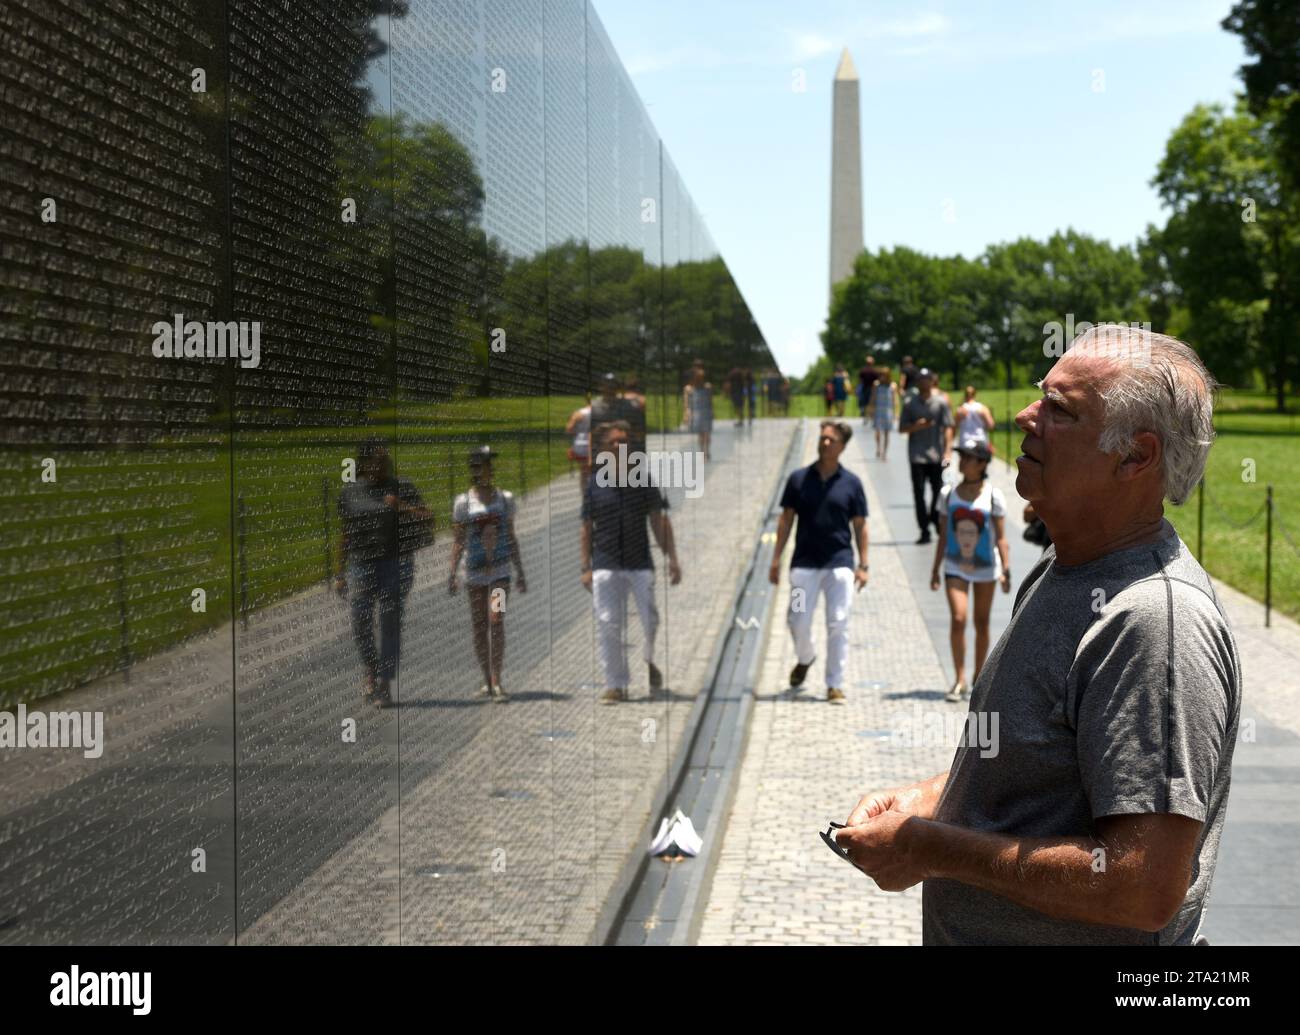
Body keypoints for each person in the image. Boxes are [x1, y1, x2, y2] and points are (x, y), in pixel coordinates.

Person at [834, 327, 1240, 946]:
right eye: (1039, 398)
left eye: (1061, 410)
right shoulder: (1063, 566)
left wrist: (934, 849)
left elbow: (1142, 885)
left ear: (1136, 456)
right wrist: (927, 800)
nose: (1025, 416)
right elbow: (1036, 767)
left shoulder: (1152, 623)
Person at [768, 420, 869, 704]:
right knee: (797, 619)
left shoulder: (852, 483)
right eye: (822, 438)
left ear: (842, 447)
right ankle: (806, 657)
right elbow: (786, 520)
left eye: (831, 440)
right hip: (804, 566)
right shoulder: (798, 479)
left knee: (839, 622)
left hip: (839, 565)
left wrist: (864, 564)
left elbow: (860, 525)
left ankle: (834, 684)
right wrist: (776, 559)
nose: (825, 443)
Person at [582, 420, 681, 703]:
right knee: (608, 623)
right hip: (605, 562)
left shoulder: (643, 480)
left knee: (650, 620)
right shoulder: (595, 483)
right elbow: (586, 526)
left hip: (639, 562)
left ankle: (649, 660)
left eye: (623, 442)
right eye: (612, 442)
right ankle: (616, 684)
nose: (618, 446)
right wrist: (585, 566)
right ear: (603, 449)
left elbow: (659, 521)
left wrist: (672, 558)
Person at [336, 438, 432, 708]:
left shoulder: (402, 487)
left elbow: (429, 517)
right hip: (361, 564)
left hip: (396, 563)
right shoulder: (350, 493)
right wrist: (339, 573)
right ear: (365, 464)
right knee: (359, 622)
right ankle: (371, 668)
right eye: (379, 459)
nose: (385, 463)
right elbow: (345, 534)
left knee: (390, 624)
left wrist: (402, 506)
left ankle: (384, 684)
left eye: (386, 458)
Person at [928, 438, 1009, 701]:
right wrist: (935, 568)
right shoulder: (948, 494)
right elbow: (942, 535)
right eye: (961, 456)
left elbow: (1001, 537)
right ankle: (959, 678)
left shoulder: (993, 496)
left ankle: (978, 678)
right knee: (959, 618)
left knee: (982, 622)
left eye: (969, 457)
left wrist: (1005, 569)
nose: (962, 461)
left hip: (986, 567)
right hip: (954, 565)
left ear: (982, 463)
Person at [449, 445, 527, 700]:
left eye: (490, 464)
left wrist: (521, 571)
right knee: (479, 626)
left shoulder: (504, 499)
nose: (489, 469)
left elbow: (511, 536)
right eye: (484, 464)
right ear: (474, 469)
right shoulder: (463, 503)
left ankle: (497, 679)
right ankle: (486, 679)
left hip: (501, 573)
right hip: (473, 573)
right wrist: (452, 573)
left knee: (496, 621)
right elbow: (458, 540)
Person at [898, 368, 954, 544]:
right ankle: (923, 530)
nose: (924, 382)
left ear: (932, 381)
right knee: (918, 493)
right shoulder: (910, 403)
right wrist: (917, 426)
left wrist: (947, 450)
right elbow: (902, 428)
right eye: (920, 379)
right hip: (917, 455)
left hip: (936, 455)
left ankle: (935, 518)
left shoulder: (940, 403)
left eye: (927, 379)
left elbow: (948, 427)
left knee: (939, 491)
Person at [683, 363, 714, 460]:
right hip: (696, 413)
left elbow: (710, 400)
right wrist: (687, 414)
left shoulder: (708, 387)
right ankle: (702, 452)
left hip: (706, 412)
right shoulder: (688, 389)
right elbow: (686, 403)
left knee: (707, 433)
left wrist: (712, 411)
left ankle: (707, 451)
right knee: (701, 434)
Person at [871, 367, 898, 460]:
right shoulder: (876, 384)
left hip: (888, 411)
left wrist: (896, 412)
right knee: (878, 431)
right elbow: (873, 398)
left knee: (887, 433)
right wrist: (871, 410)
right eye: (881, 375)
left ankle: (884, 452)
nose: (882, 377)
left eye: (884, 375)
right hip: (878, 410)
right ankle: (878, 447)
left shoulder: (893, 385)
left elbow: (895, 399)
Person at [955, 385, 994, 449]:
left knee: (965, 458)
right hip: (980, 438)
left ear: (965, 395)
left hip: (965, 440)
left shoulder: (961, 409)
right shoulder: (982, 408)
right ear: (975, 394)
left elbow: (955, 425)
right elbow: (991, 425)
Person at [565, 395, 592, 481]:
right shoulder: (600, 412)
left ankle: (585, 491)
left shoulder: (578, 413)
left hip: (581, 445)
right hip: (595, 445)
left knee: (584, 472)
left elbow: (569, 429)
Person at [857, 355, 880, 425]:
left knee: (866, 404)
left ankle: (866, 418)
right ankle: (872, 418)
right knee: (872, 404)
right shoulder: (874, 371)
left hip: (865, 388)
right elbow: (877, 381)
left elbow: (860, 380)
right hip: (872, 389)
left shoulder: (862, 370)